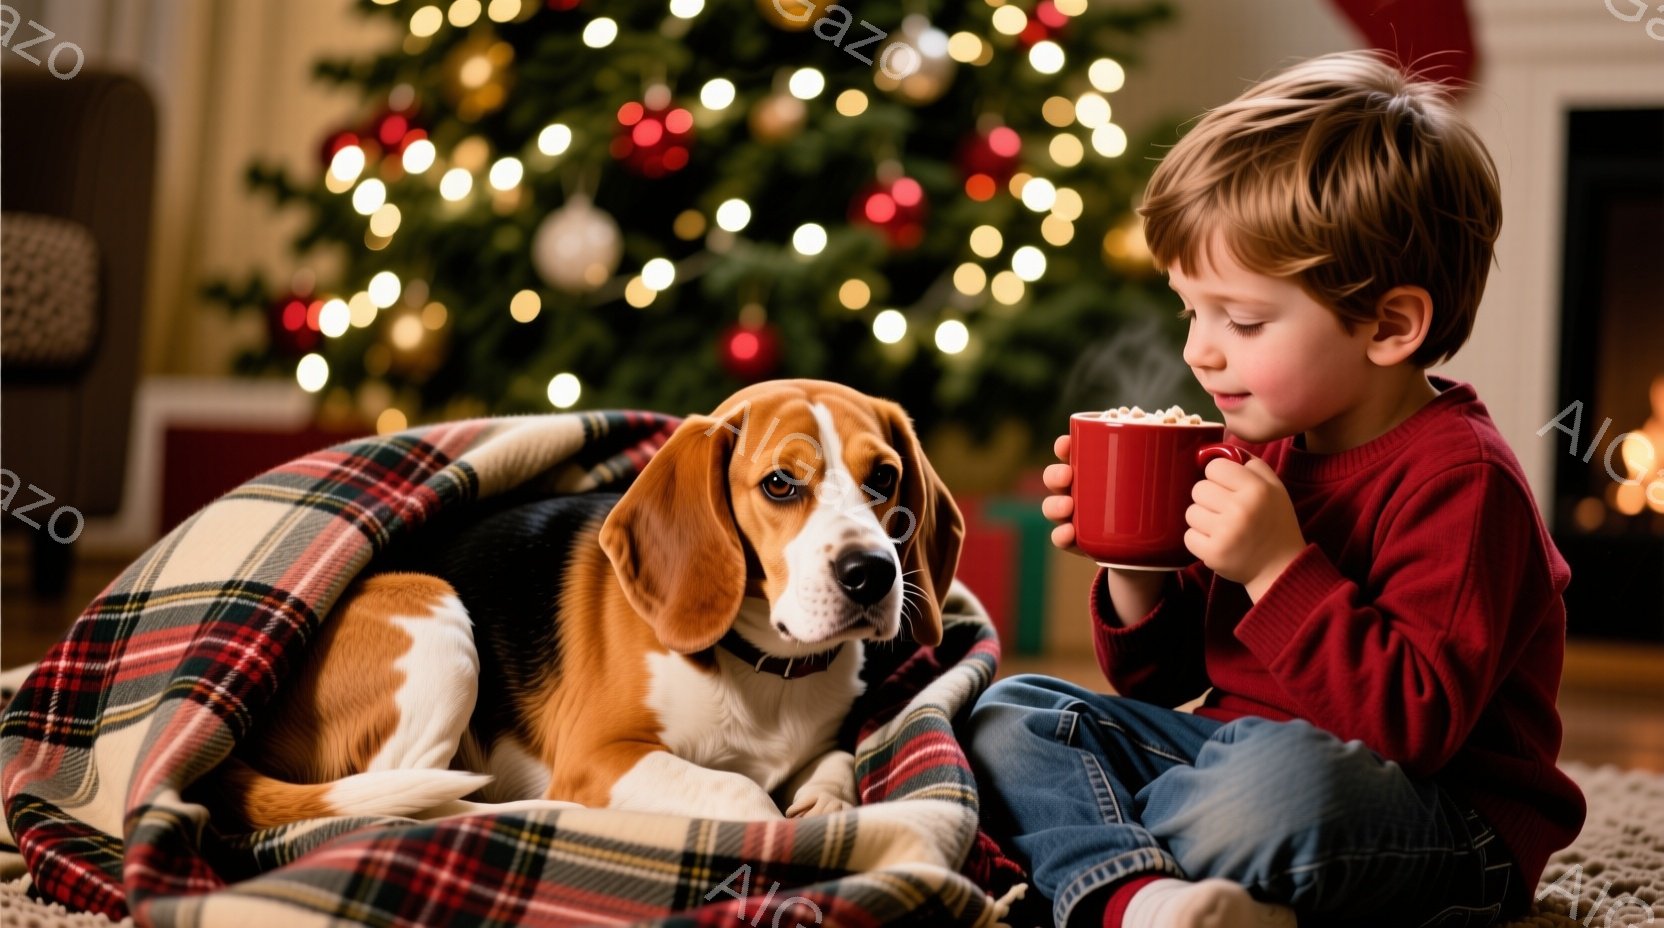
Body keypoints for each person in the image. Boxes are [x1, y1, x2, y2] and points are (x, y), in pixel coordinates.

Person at [963, 50, 1586, 928]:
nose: (1199, 351)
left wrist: (1277, 568)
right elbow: (1159, 681)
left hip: (1433, 819)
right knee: (1005, 717)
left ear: (1390, 324)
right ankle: (1144, 901)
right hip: (1222, 761)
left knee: (1271, 788)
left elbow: (1413, 727)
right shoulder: (1262, 446)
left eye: (1243, 320)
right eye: (1191, 310)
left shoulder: (1465, 481)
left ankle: (1094, 851)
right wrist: (1136, 568)